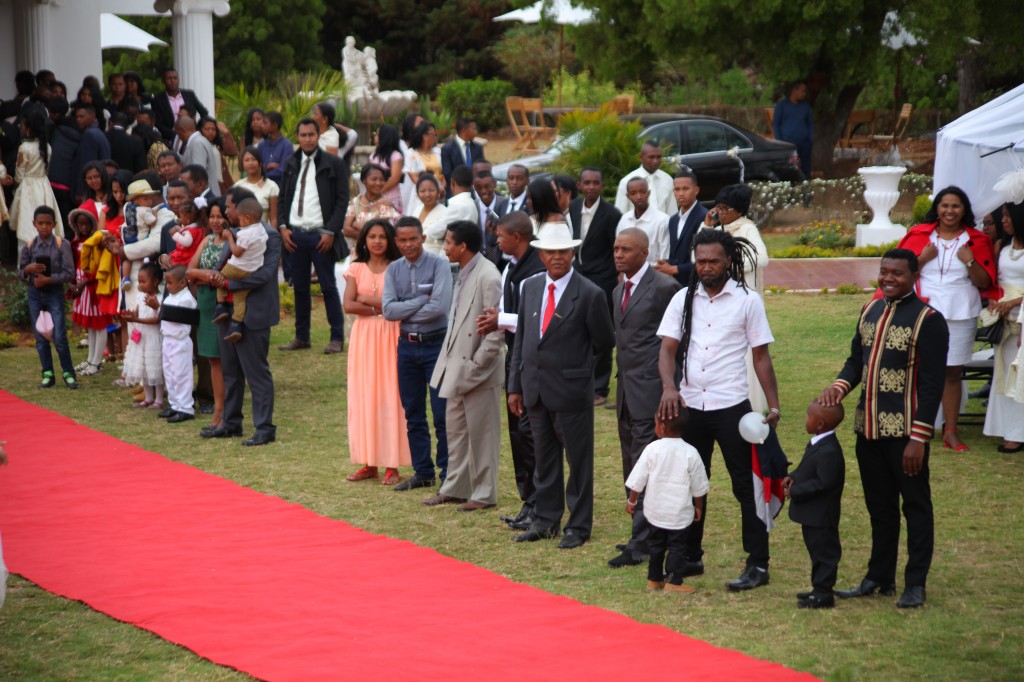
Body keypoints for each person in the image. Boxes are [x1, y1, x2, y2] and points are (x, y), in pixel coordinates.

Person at [821, 248, 948, 609]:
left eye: (897, 274)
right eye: (884, 272)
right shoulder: (870, 310)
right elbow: (855, 362)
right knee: (880, 508)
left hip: (906, 434)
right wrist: (838, 388)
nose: (889, 278)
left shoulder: (928, 320)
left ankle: (915, 584)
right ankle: (879, 577)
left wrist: (919, 438)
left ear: (913, 277)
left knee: (916, 507)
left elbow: (932, 384)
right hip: (868, 430)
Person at [656, 228, 782, 591]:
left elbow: (761, 356)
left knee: (747, 487)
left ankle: (758, 564)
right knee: (690, 481)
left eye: (713, 261)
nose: (706, 267)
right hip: (690, 406)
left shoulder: (747, 301)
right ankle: (691, 557)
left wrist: (773, 405)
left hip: (731, 407)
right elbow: (666, 350)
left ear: (728, 260)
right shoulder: (683, 299)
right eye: (700, 261)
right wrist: (669, 387)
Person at [507, 222, 615, 549]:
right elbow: (523, 339)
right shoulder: (530, 288)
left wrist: (579, 374)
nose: (557, 257)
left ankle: (578, 526)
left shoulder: (590, 293)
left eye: (563, 251)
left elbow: (604, 342)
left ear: (573, 253)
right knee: (544, 459)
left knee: (578, 462)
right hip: (535, 389)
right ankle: (546, 520)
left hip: (571, 393)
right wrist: (515, 386)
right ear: (541, 255)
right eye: (551, 252)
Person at [895, 186, 994, 451]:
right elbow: (898, 274)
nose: (950, 211)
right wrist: (922, 258)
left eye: (956, 206)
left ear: (964, 210)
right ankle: (917, 429)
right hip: (921, 312)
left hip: (960, 313)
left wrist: (970, 261)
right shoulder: (919, 235)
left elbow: (985, 283)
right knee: (916, 369)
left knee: (952, 373)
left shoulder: (976, 240)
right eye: (945, 205)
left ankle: (950, 432)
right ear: (937, 209)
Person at [606, 228, 682, 568]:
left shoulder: (665, 288)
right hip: (625, 393)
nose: (619, 255)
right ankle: (642, 533)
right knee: (632, 464)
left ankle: (643, 543)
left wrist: (673, 388)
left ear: (644, 253)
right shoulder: (617, 289)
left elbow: (681, 340)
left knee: (646, 465)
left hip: (653, 393)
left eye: (626, 249)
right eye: (616, 249)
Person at [423, 220, 505, 511]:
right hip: (456, 366)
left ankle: (484, 494)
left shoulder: (489, 276)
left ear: (462, 246)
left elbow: (496, 330)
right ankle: (456, 488)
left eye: (447, 242)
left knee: (482, 436)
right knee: (456, 432)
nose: (444, 247)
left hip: (478, 369)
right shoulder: (464, 271)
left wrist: (477, 364)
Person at [476, 212, 547, 529]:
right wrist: (499, 315)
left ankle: (540, 503)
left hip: (535, 360)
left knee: (532, 436)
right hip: (514, 356)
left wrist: (500, 320)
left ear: (517, 237)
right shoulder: (511, 267)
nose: (496, 241)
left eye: (501, 236)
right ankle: (527, 501)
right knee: (519, 434)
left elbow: (539, 320)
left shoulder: (538, 269)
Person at [203, 188, 282, 446]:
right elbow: (225, 262)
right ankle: (231, 422)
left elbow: (265, 275)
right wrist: (217, 276)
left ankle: (264, 427)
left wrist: (227, 285)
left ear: (244, 210)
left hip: (255, 314)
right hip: (227, 313)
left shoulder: (269, 235)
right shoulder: (235, 233)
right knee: (230, 372)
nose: (226, 211)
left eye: (229, 206)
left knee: (256, 373)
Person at [382, 216, 454, 491]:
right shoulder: (393, 270)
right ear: (396, 241)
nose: (408, 244)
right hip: (407, 347)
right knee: (413, 412)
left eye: (413, 238)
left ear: (423, 238)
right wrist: (422, 300)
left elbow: (440, 307)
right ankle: (423, 471)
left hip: (436, 345)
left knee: (441, 413)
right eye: (403, 240)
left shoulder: (439, 265)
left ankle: (448, 473)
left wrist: (407, 307)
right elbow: (388, 311)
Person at [343, 218, 411, 485]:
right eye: (372, 236)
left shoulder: (398, 268)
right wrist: (381, 307)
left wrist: (368, 301)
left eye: (382, 236)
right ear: (364, 240)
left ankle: (392, 464)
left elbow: (401, 304)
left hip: (392, 334)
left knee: (391, 396)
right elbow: (348, 304)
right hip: (364, 337)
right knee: (365, 396)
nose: (377, 241)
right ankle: (369, 462)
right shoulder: (356, 267)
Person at [277, 118, 350, 355]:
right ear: (297, 137)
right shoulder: (290, 163)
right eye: (303, 135)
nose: (307, 139)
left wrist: (331, 230)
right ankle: (302, 336)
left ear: (318, 136)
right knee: (299, 287)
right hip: (295, 234)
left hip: (321, 235)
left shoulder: (334, 163)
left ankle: (336, 337)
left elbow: (342, 200)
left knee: (328, 287)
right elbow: (283, 199)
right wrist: (282, 226)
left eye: (311, 134)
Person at [625, 409, 709, 593]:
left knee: (656, 545)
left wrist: (632, 502)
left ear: (661, 427)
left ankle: (653, 580)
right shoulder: (691, 452)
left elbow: (638, 479)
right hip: (679, 513)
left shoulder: (652, 449)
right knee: (677, 547)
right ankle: (673, 580)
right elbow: (699, 486)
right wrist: (699, 507)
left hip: (655, 511)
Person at [782, 400, 846, 609]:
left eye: (808, 417)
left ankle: (824, 593)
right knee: (815, 551)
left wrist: (795, 490)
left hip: (822, 514)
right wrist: (793, 476)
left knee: (825, 553)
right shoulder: (818, 442)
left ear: (820, 424)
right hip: (812, 515)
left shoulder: (829, 452)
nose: (805, 421)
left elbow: (822, 483)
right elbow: (807, 468)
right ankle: (817, 588)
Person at [569, 167, 623, 407]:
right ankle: (580, 382)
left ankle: (600, 387)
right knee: (578, 332)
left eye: (596, 183)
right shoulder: (571, 209)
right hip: (578, 276)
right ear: (579, 185)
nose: (591, 187)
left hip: (604, 279)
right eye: (586, 182)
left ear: (602, 186)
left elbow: (616, 247)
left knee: (602, 332)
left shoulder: (612, 214)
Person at [20, 206, 77, 389]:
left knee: (59, 334)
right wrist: (28, 270)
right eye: (40, 223)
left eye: (48, 223)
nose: (44, 227)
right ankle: (47, 373)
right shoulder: (29, 246)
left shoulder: (62, 244)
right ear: (34, 224)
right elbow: (21, 272)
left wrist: (49, 279)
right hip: (35, 294)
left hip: (54, 293)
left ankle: (68, 372)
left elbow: (70, 274)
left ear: (54, 224)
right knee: (40, 335)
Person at [983, 200, 1024, 452]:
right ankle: (1009, 429)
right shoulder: (1002, 246)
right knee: (1005, 374)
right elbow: (996, 281)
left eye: (1008, 216)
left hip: (1021, 315)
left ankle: (1018, 433)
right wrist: (995, 300)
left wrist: (1016, 301)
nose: (1003, 221)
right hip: (1004, 319)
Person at [187, 198, 230, 431]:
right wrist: (207, 276)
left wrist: (200, 275)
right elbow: (189, 271)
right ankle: (219, 408)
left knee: (223, 359)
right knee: (212, 359)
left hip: (222, 304)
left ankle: (224, 410)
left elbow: (224, 275)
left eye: (220, 216)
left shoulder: (233, 242)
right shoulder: (207, 240)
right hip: (204, 304)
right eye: (212, 216)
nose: (215, 221)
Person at [215, 197, 269, 343]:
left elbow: (237, 251)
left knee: (218, 277)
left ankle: (220, 306)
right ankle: (236, 325)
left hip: (236, 267)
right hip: (252, 270)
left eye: (240, 219)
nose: (239, 222)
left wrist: (229, 238)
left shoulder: (245, 233)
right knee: (240, 296)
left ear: (247, 218)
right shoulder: (262, 230)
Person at [10, 105, 64, 251]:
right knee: (44, 223)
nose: (20, 128)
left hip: (27, 188)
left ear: (28, 128)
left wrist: (15, 186)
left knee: (26, 224)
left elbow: (19, 174)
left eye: (22, 125)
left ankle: (25, 263)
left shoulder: (24, 147)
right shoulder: (47, 146)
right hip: (43, 187)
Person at [67, 207, 113, 376]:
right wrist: (73, 283)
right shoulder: (75, 242)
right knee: (91, 326)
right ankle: (90, 359)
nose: (84, 227)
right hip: (81, 285)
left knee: (99, 324)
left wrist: (85, 282)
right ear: (75, 225)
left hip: (93, 286)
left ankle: (97, 362)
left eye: (87, 224)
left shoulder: (97, 241)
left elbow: (100, 265)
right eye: (80, 224)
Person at [703, 184, 768, 293]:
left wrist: (729, 266)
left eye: (726, 208)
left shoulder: (748, 229)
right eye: (719, 207)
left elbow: (762, 258)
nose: (721, 212)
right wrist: (707, 226)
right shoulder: (718, 230)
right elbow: (696, 257)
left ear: (740, 211)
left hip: (743, 289)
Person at [157, 265, 198, 423]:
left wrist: (162, 310)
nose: (167, 286)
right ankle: (175, 404)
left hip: (180, 341)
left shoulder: (186, 298)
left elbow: (174, 315)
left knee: (181, 375)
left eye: (170, 283)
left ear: (182, 283)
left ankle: (185, 407)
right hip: (168, 339)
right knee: (170, 374)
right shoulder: (170, 296)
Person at [121, 262, 164, 405]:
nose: (140, 285)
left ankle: (158, 399)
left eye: (144, 281)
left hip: (153, 339)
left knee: (155, 369)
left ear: (156, 281)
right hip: (140, 338)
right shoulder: (140, 296)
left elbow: (157, 319)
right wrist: (129, 316)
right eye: (139, 281)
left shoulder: (160, 298)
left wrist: (137, 319)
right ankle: (148, 397)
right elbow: (136, 313)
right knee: (144, 368)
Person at [655, 170, 708, 286]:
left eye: (685, 189)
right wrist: (665, 264)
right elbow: (677, 256)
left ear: (696, 190)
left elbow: (708, 255)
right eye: (677, 189)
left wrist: (676, 269)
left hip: (699, 283)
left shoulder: (705, 217)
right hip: (677, 285)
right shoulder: (673, 220)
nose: (681, 193)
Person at [342, 163, 401, 253]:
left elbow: (377, 231)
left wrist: (355, 224)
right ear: (364, 180)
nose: (378, 183)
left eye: (382, 180)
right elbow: (346, 230)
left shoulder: (386, 204)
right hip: (359, 252)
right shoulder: (356, 201)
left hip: (379, 253)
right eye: (374, 179)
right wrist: (369, 236)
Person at [616, 178, 670, 264]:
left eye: (643, 192)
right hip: (627, 274)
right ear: (628, 196)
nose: (639, 196)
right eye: (633, 193)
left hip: (653, 273)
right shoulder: (624, 219)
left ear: (648, 193)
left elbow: (665, 255)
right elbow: (618, 248)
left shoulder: (663, 220)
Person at [615, 141, 674, 216]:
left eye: (659, 157)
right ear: (641, 157)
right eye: (651, 157)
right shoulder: (626, 181)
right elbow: (620, 214)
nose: (655, 161)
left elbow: (672, 212)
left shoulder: (668, 180)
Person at [152, 67, 209, 143]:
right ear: (163, 81)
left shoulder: (189, 95)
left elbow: (204, 112)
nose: (172, 81)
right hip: (170, 139)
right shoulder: (157, 100)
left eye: (175, 78)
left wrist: (198, 129)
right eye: (169, 78)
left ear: (178, 80)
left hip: (192, 137)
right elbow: (158, 123)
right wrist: (176, 135)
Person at [71, 104, 112, 204]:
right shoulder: (99, 133)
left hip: (90, 190)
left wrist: (81, 191)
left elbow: (87, 165)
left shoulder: (89, 135)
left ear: (92, 116)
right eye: (77, 117)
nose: (78, 120)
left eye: (82, 116)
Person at [773, 82, 813, 179]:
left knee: (806, 167)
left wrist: (810, 138)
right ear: (795, 90)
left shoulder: (806, 106)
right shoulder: (782, 105)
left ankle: (806, 187)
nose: (804, 94)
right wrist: (780, 141)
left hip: (804, 143)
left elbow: (810, 123)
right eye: (802, 91)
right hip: (788, 143)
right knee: (789, 167)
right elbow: (775, 124)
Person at [232, 146, 279, 224]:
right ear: (242, 164)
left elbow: (274, 219)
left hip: (264, 233)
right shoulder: (238, 187)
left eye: (254, 159)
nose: (250, 163)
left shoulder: (272, 186)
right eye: (247, 160)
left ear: (260, 162)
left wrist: (273, 235)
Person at [178, 117, 219, 197]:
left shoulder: (197, 143)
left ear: (181, 130)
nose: (178, 137)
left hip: (205, 198)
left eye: (178, 134)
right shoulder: (199, 140)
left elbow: (199, 173)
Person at [406, 174, 447, 255]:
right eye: (422, 191)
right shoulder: (417, 209)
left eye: (431, 190)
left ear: (438, 191)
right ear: (417, 194)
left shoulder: (444, 212)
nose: (427, 194)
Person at [369, 124, 405, 213]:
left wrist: (379, 191)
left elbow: (395, 178)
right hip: (375, 196)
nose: (375, 137)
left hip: (391, 197)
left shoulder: (395, 156)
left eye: (377, 135)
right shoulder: (374, 155)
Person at [440, 117, 485, 187]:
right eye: (474, 129)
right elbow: (448, 174)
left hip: (477, 187)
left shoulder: (477, 147)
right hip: (457, 188)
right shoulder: (447, 149)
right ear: (464, 130)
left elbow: (482, 169)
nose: (476, 131)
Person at [198, 116, 238, 194]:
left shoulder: (217, 144)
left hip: (221, 184)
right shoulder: (197, 145)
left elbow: (233, 152)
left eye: (213, 129)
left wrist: (226, 132)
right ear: (200, 130)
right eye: (207, 129)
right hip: (206, 186)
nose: (210, 132)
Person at [473, 170, 505, 262]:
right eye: (479, 187)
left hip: (501, 259)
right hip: (479, 260)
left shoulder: (504, 204)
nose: (483, 191)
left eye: (487, 187)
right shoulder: (472, 207)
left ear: (494, 184)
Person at [405, 121, 444, 190]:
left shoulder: (438, 151)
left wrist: (441, 188)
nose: (435, 138)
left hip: (439, 193)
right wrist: (429, 190)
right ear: (424, 136)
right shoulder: (411, 154)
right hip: (421, 192)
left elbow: (444, 173)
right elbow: (414, 177)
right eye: (433, 135)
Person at [258, 111, 293, 186]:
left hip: (279, 186)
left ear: (275, 125)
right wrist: (268, 166)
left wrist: (265, 171)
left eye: (265, 123)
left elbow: (284, 170)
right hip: (261, 184)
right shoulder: (262, 145)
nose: (261, 125)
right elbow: (257, 168)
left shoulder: (286, 145)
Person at [167, 199, 204, 267]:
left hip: (187, 258)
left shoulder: (190, 230)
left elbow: (187, 242)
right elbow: (188, 234)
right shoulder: (197, 228)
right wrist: (180, 229)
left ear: (188, 218)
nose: (180, 219)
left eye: (181, 216)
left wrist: (175, 234)